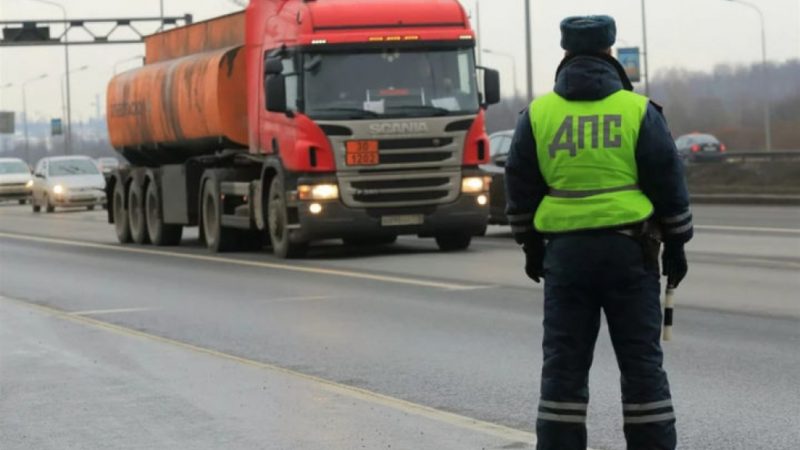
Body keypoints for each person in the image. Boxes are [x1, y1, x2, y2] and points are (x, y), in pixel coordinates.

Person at [504, 15, 693, 450]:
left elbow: (520, 184)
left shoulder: (538, 114)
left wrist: (531, 246)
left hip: (566, 258)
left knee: (563, 369)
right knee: (642, 367)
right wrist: (678, 244)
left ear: (565, 53)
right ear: (611, 52)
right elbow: (667, 178)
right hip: (632, 252)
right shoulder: (638, 110)